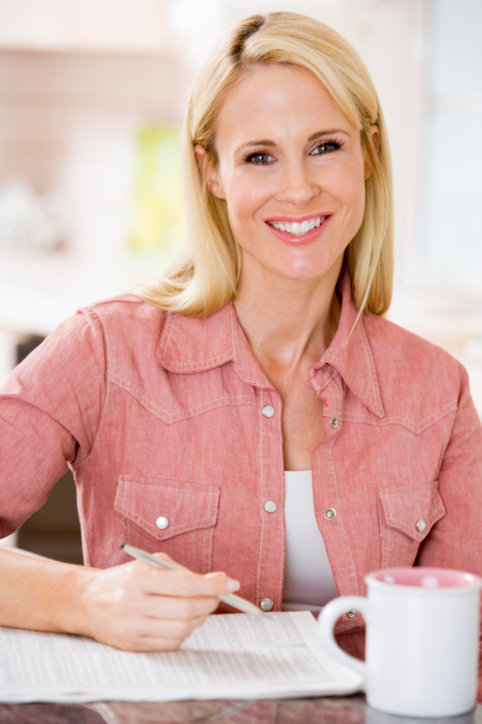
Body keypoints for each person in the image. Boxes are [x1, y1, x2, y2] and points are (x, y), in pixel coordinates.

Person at [0, 10, 481, 684]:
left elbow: (467, 644)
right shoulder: (106, 350)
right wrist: (84, 600)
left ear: (369, 154)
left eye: (325, 146)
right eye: (260, 156)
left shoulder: (437, 392)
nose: (298, 187)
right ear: (212, 172)